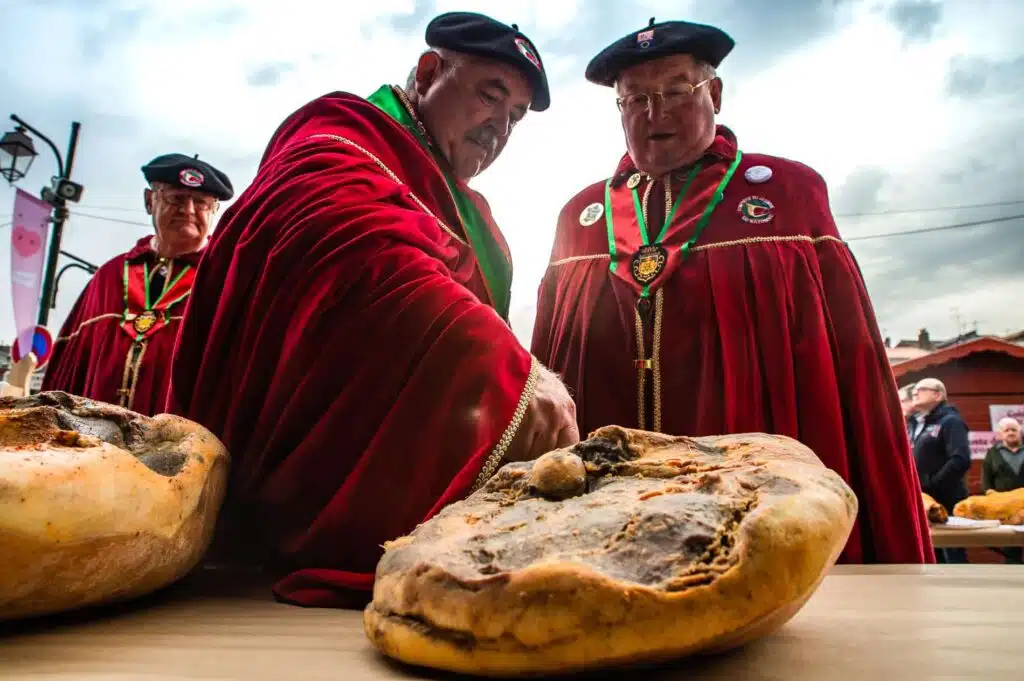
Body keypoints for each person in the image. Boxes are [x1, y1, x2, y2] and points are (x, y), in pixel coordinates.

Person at [166, 12, 578, 607]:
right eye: (490, 95)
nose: (499, 126)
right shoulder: (341, 139)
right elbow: (350, 244)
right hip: (301, 511)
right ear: (430, 71)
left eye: (514, 115)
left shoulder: (470, 209)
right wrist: (514, 374)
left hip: (412, 513)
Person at [530, 18, 932, 564]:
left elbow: (847, 370)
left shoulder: (789, 193)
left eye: (676, 91)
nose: (655, 113)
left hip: (755, 508)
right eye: (635, 99)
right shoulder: (579, 218)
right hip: (608, 522)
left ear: (714, 93)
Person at [41, 154, 233, 415]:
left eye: (200, 202)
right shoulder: (108, 277)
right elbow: (69, 369)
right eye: (176, 198)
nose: (188, 210)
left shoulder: (223, 279)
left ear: (214, 211)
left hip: (180, 449)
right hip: (95, 445)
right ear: (148, 200)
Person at [909, 378, 971, 563]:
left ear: (938, 395)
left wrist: (933, 484)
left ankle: (961, 592)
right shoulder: (917, 424)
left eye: (921, 389)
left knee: (952, 554)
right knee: (931, 553)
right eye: (914, 390)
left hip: (947, 499)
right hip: (924, 500)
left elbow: (960, 459)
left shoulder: (951, 421)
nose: (915, 393)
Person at [981, 416, 1023, 564]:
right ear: (1000, 434)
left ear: (1020, 432)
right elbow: (986, 479)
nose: (1011, 433)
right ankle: (1012, 571)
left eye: (1014, 429)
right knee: (1010, 542)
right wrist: (990, 495)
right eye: (1007, 430)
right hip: (1005, 507)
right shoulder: (992, 453)